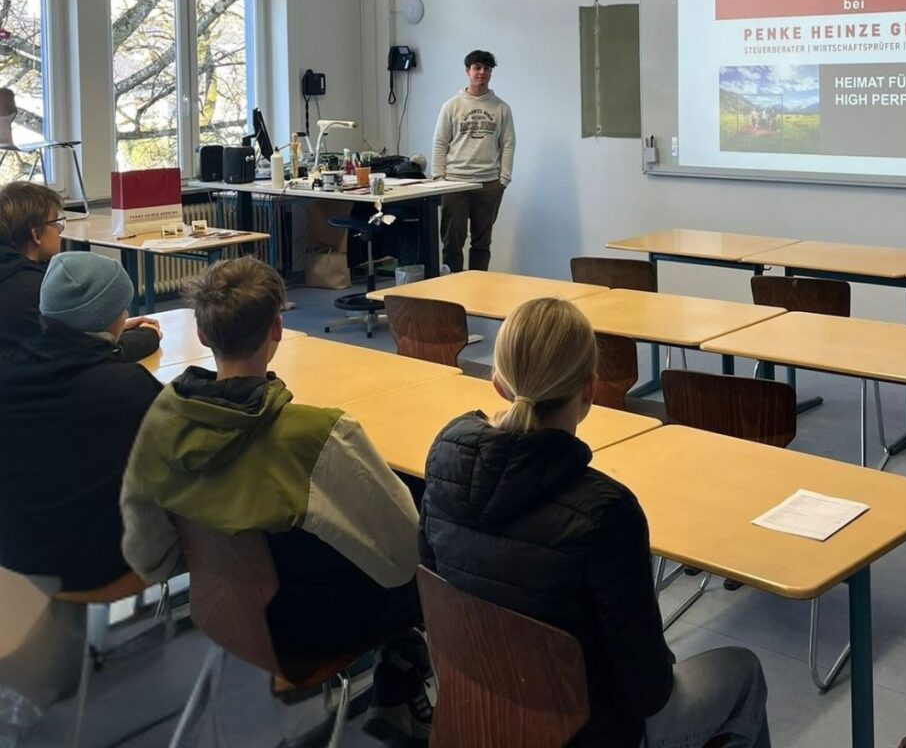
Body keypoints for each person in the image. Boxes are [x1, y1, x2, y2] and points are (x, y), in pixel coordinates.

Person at [420, 298, 771, 748]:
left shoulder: (443, 468)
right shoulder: (607, 514)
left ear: (496, 384)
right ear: (590, 389)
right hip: (587, 735)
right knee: (743, 671)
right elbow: (647, 692)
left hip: (480, 711)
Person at [120, 256, 432, 743]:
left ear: (202, 336)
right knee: (426, 535)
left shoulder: (163, 418)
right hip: (308, 632)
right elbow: (403, 560)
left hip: (219, 609)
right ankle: (404, 670)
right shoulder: (318, 436)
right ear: (278, 329)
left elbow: (147, 550)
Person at [0, 252, 163, 592]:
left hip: (14, 554)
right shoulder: (127, 388)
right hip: (96, 567)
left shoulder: (12, 372)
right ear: (114, 317)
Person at [0, 181, 161, 360]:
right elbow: (88, 354)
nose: (60, 230)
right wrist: (148, 335)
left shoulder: (10, 275)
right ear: (36, 235)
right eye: (56, 223)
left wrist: (112, 326)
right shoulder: (36, 290)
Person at [431, 49, 515, 273]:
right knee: (452, 243)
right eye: (477, 68)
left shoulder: (501, 108)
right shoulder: (452, 106)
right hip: (454, 183)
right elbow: (440, 142)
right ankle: (451, 291)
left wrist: (503, 179)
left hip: (488, 184)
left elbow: (508, 144)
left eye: (487, 69)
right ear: (468, 71)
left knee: (481, 244)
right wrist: (439, 178)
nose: (482, 73)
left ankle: (479, 291)